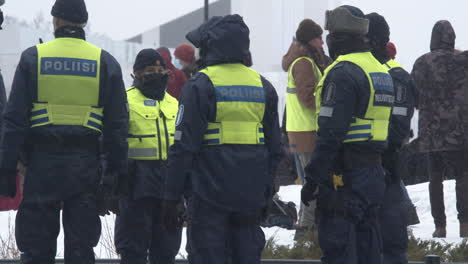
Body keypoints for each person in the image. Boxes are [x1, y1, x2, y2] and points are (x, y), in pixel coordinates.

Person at [0, 0, 129, 263]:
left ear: (55, 21)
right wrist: (114, 175)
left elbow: (13, 121)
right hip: (85, 168)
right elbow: (117, 127)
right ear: (82, 22)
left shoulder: (33, 57)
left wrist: (6, 167)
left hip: (41, 167)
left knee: (36, 250)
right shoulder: (104, 62)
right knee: (81, 250)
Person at [161, 14, 282, 264]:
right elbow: (275, 148)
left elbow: (183, 148)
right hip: (250, 197)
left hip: (208, 198)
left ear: (210, 46)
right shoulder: (264, 87)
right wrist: (265, 193)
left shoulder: (199, 86)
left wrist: (171, 196)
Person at [301, 5, 394, 264]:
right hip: (373, 171)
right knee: (368, 247)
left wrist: (312, 179)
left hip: (345, 175)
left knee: (338, 246)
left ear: (338, 39)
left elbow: (330, 134)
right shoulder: (379, 71)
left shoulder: (343, 72)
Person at [114, 49, 181, 264]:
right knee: (133, 251)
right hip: (136, 186)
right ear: (137, 73)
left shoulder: (174, 103)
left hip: (169, 188)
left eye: (161, 70)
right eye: (151, 70)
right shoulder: (124, 101)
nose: (157, 74)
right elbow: (114, 142)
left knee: (166, 251)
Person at [366, 12, 417, 264]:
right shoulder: (389, 73)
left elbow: (397, 129)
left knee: (388, 239)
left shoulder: (395, 76)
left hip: (382, 167)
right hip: (378, 167)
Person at [411, 20, 468, 238]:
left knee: (435, 178)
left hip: (431, 131)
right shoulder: (463, 61)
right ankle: (465, 224)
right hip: (460, 131)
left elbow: (414, 93)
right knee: (464, 176)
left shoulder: (421, 63)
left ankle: (440, 226)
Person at [281, 18, 327, 239]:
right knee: (312, 185)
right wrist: (329, 96)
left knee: (310, 183)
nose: (322, 42)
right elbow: (307, 97)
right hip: (306, 131)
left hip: (301, 130)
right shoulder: (303, 64)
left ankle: (307, 229)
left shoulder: (305, 61)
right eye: (319, 38)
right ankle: (306, 232)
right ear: (310, 40)